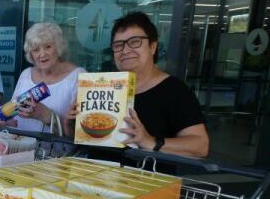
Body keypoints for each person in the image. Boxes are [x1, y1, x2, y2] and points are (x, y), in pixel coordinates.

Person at [66, 11, 209, 158]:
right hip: (93, 175)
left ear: (152, 46)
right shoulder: (103, 86)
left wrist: (150, 141)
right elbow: (87, 142)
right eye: (118, 45)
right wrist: (71, 125)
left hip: (147, 178)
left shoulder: (176, 91)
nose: (125, 50)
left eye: (135, 42)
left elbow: (200, 146)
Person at [0, 22, 85, 134]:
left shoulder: (78, 77)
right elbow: (15, 121)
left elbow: (81, 134)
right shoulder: (26, 74)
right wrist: (2, 120)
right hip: (21, 147)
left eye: (48, 47)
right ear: (31, 54)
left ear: (59, 47)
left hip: (56, 151)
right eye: (36, 50)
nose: (42, 54)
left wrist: (47, 116)